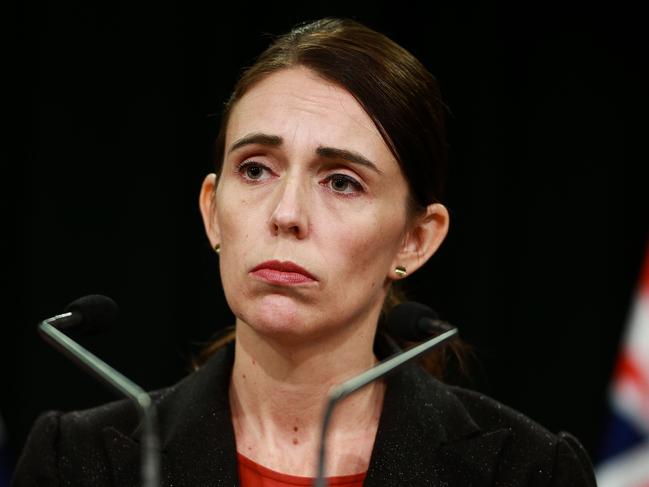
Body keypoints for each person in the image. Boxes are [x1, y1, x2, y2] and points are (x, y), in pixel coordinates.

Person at [12, 17, 596, 486]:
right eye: (256, 169)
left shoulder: (522, 470)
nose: (286, 214)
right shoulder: (80, 461)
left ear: (416, 239)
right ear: (212, 210)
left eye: (341, 181)